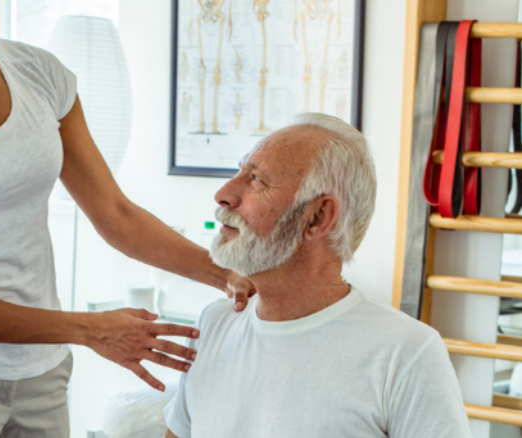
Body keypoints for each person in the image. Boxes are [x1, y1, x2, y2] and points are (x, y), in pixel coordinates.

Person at [0, 0, 254, 436]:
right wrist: (89, 330)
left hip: (42, 369)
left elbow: (115, 213)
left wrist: (222, 273)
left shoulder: (39, 72)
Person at [163, 113, 472, 438]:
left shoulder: (405, 353)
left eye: (256, 180)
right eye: (238, 172)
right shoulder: (214, 325)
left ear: (317, 218)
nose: (224, 193)